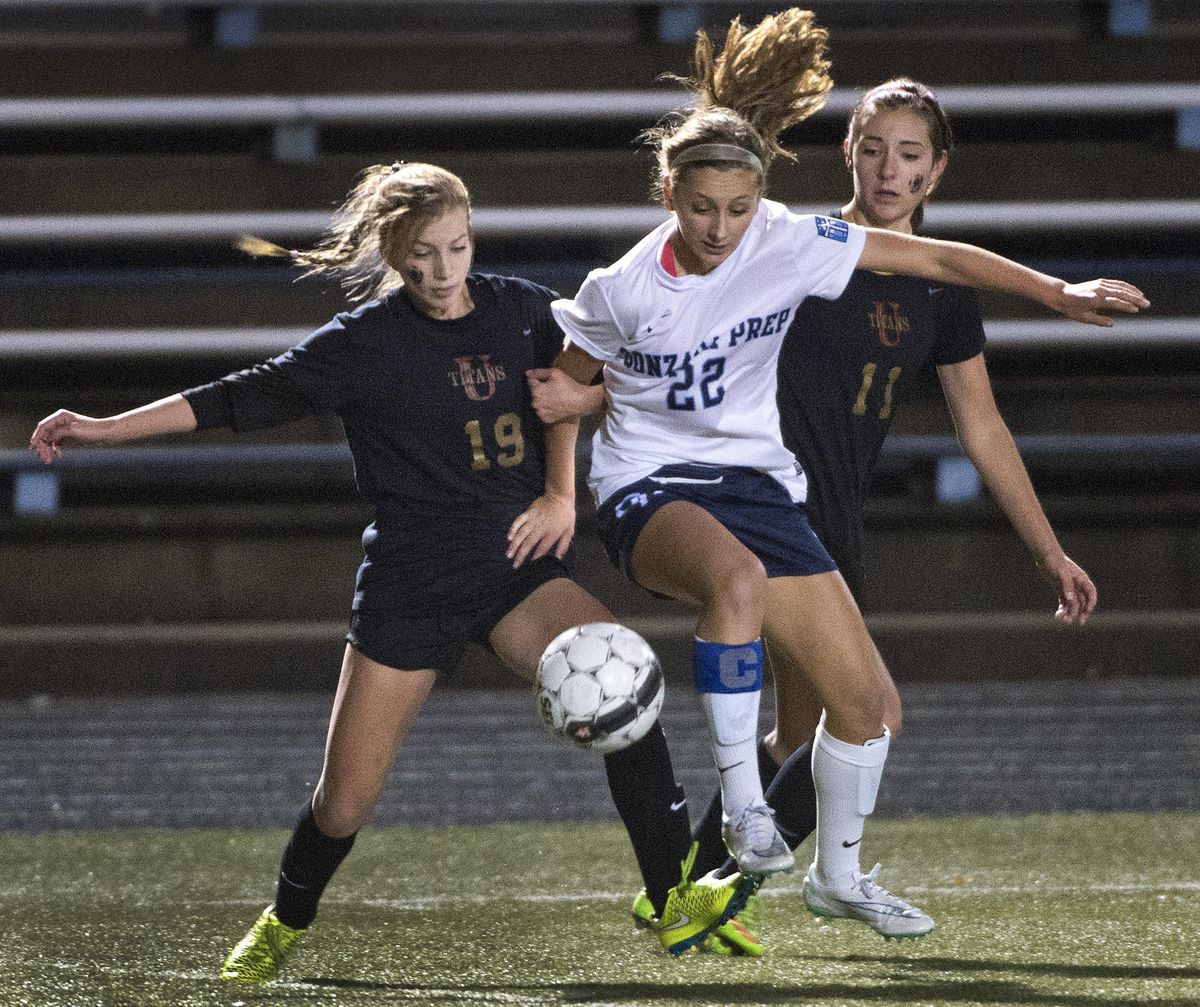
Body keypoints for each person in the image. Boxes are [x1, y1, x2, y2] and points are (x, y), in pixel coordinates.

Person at [28, 162, 758, 978]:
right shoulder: (364, 345)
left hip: (517, 567)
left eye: (457, 247)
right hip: (411, 582)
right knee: (344, 804)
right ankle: (285, 918)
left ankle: (672, 899)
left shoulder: (523, 307)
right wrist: (98, 426)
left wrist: (561, 491)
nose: (444, 273)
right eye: (423, 256)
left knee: (621, 680)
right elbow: (234, 398)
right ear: (392, 253)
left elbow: (598, 381)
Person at [527, 8, 1147, 944]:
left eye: (912, 155)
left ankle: (702, 894)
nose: (892, 168)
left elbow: (982, 424)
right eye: (875, 148)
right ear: (848, 151)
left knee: (832, 721)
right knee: (802, 709)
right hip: (718, 501)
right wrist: (589, 411)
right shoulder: (787, 246)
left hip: (810, 514)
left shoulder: (891, 276)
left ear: (937, 170)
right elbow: (670, 363)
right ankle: (713, 889)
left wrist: (1049, 547)